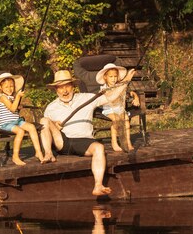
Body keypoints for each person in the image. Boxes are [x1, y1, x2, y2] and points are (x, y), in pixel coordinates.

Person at [39, 68, 135, 196]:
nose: (65, 91)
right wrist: (54, 125)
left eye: (67, 86)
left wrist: (126, 81)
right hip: (62, 141)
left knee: (99, 148)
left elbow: (111, 97)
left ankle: (98, 185)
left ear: (73, 86)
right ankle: (49, 154)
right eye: (60, 88)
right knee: (44, 120)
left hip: (83, 141)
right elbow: (46, 128)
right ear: (56, 89)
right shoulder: (51, 107)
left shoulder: (86, 98)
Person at [0, 72, 47, 166]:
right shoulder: (2, 98)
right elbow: (12, 108)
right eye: (6, 87)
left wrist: (19, 106)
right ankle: (15, 156)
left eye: (11, 86)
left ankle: (38, 152)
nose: (9, 89)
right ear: (1, 88)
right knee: (20, 131)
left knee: (31, 127)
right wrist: (17, 97)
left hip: (17, 121)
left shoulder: (11, 97)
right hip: (6, 123)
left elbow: (15, 108)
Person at [96, 63, 140, 152]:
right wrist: (127, 79)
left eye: (115, 76)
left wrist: (136, 98)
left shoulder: (120, 85)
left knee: (126, 120)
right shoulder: (104, 89)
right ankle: (114, 142)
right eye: (111, 77)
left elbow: (130, 92)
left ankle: (128, 141)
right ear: (105, 77)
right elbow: (112, 95)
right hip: (109, 109)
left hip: (120, 108)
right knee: (116, 120)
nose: (113, 79)